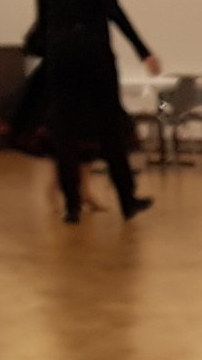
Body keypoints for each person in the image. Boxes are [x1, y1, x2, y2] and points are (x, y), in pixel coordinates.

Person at [17, 0, 160, 224]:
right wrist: (144, 52)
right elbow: (115, 13)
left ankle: (72, 207)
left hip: (60, 54)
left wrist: (52, 46)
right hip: (94, 52)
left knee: (64, 131)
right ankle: (127, 199)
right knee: (110, 127)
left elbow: (43, 21)